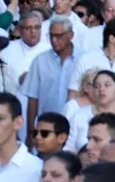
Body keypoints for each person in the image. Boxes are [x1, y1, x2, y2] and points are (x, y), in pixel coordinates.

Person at [22, 15, 76, 144]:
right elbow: (33, 99)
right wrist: (31, 132)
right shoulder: (40, 61)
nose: (54, 40)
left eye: (59, 36)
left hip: (74, 126)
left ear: (71, 35)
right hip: (46, 129)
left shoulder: (82, 60)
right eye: (51, 36)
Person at [65, 70, 115, 153]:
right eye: (97, 86)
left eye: (107, 85)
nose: (101, 89)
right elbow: (69, 148)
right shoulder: (80, 115)